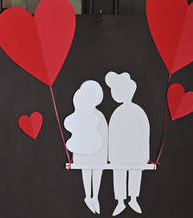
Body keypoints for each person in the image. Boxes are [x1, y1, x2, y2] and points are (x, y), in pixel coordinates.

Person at [105, 71, 150, 216]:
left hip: (134, 152)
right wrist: (111, 156)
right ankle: (120, 201)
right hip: (120, 153)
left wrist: (144, 155)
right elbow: (112, 136)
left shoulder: (136, 112)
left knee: (134, 172)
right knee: (120, 173)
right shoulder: (118, 113)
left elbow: (144, 134)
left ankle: (132, 198)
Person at [64, 80, 108, 214]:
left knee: (97, 172)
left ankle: (95, 197)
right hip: (84, 154)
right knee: (87, 171)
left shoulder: (99, 116)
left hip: (99, 153)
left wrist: (106, 154)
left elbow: (105, 135)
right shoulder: (81, 115)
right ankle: (88, 196)